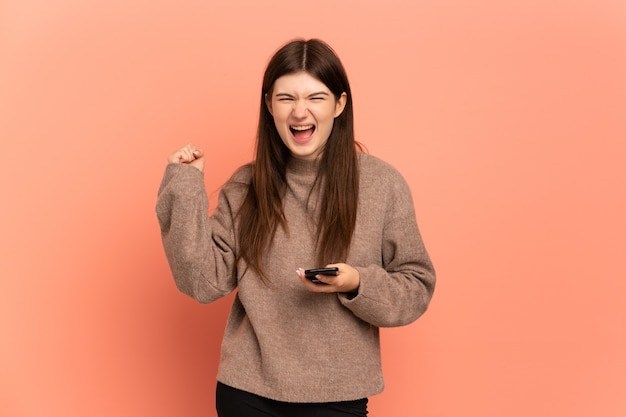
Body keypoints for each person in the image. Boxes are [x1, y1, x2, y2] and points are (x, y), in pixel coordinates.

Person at [156, 38, 436, 417]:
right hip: (247, 392)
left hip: (338, 394)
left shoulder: (382, 185)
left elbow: (416, 286)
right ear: (269, 104)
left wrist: (357, 282)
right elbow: (202, 282)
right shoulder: (245, 186)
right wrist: (185, 188)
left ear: (339, 104)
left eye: (315, 98)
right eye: (286, 98)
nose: (299, 111)